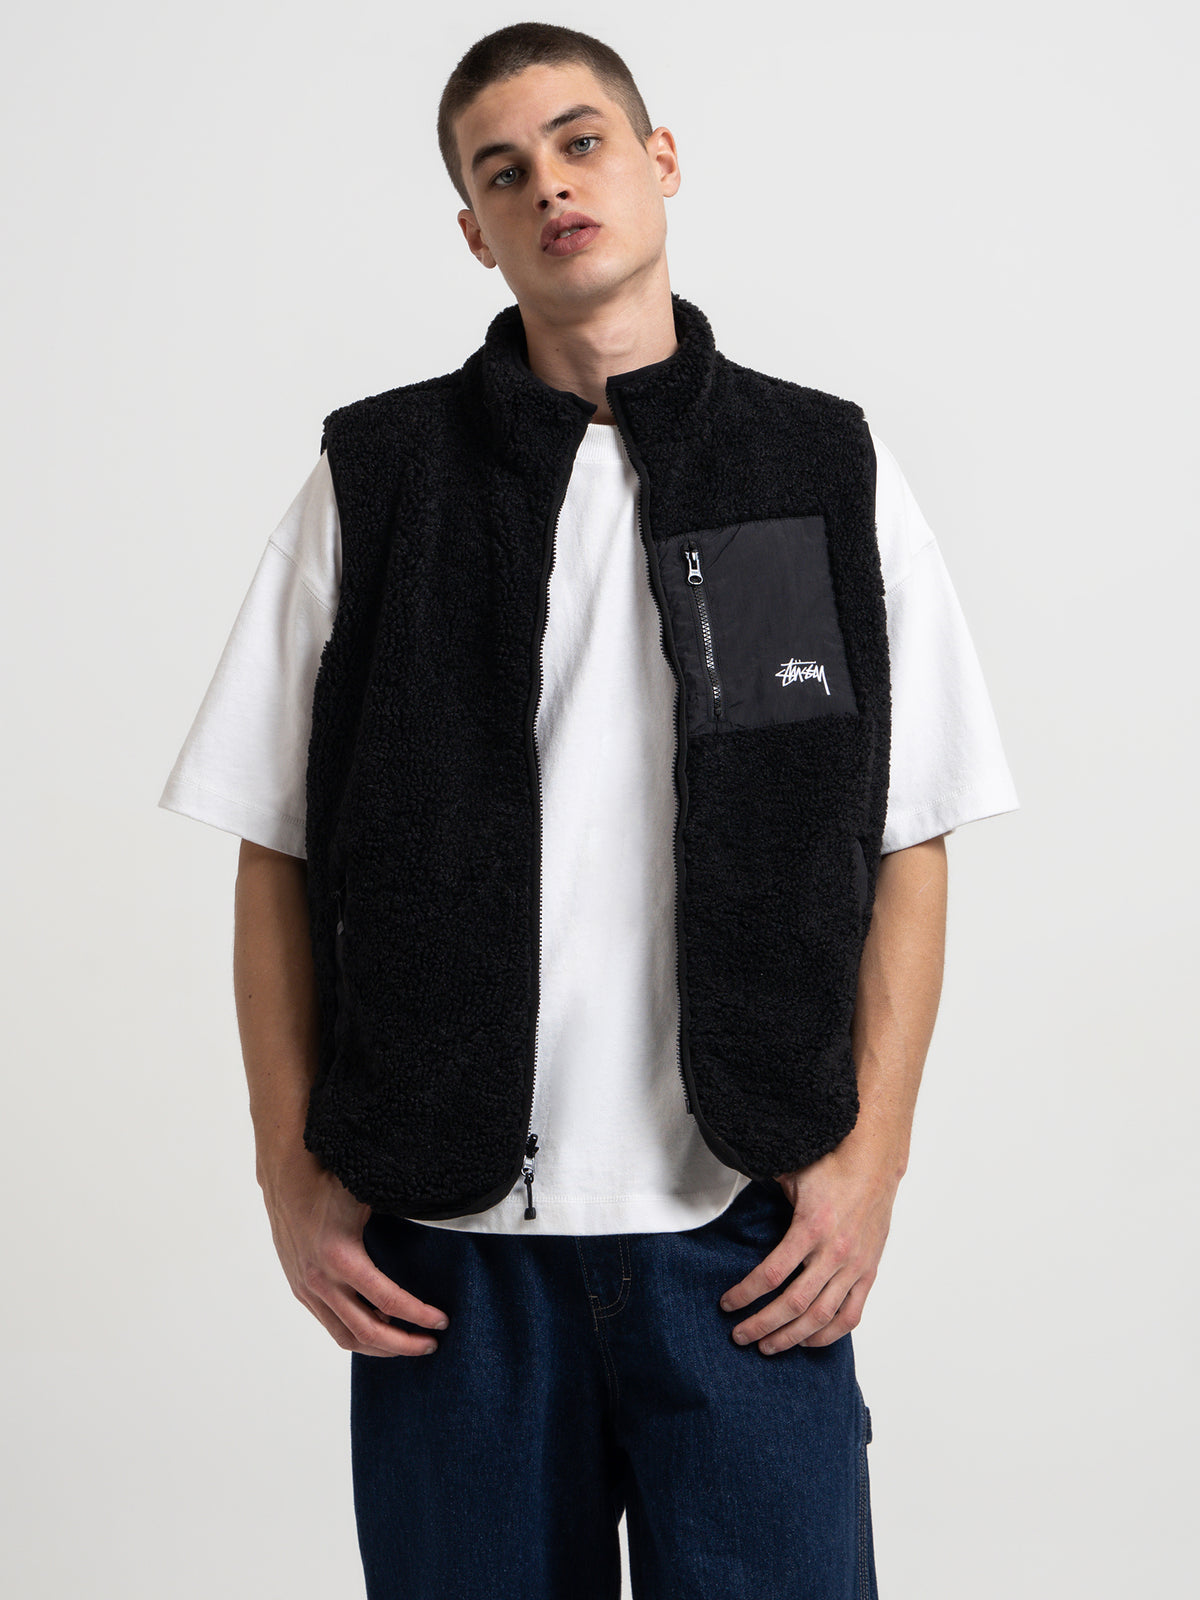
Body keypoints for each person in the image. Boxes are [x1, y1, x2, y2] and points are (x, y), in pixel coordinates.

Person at [158, 21, 1019, 1599]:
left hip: (745, 1236)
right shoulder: (380, 478)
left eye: (580, 142)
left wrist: (871, 1161)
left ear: (658, 161)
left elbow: (912, 835)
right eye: (503, 173)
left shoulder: (815, 465)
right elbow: (273, 847)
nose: (550, 186)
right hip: (449, 1250)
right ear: (472, 232)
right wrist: (288, 1170)